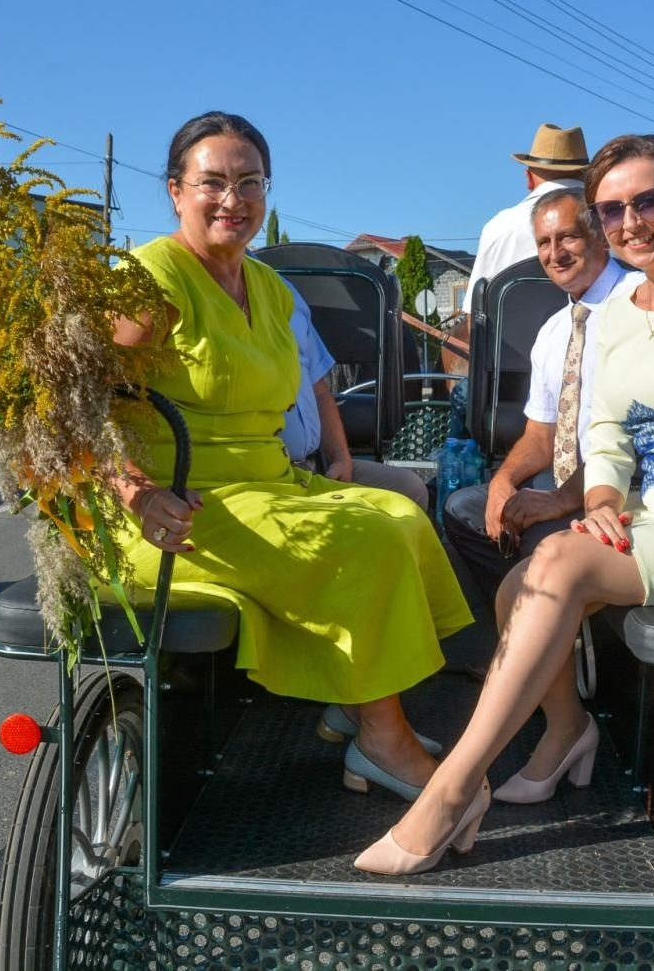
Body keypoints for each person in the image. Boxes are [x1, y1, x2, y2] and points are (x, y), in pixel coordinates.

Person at [356, 133, 654, 876]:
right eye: (613, 209)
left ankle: (452, 792)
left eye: (648, 201)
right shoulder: (615, 314)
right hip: (653, 516)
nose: (631, 222)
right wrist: (605, 498)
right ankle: (566, 731)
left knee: (555, 561)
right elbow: (606, 432)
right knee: (518, 586)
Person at [108, 111, 471, 801]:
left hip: (267, 485)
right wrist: (136, 491)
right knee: (365, 539)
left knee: (401, 515)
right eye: (213, 182)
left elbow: (314, 386)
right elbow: (76, 408)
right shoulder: (147, 280)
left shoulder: (269, 287)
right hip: (177, 507)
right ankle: (383, 740)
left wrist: (334, 458)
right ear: (175, 191)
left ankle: (358, 702)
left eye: (250, 182)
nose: (233, 199)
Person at [441, 189, 636, 607]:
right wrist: (503, 481)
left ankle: (558, 623)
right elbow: (540, 434)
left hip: (625, 485)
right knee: (464, 510)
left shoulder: (641, 301)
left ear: (600, 236)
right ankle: (527, 622)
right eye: (544, 243)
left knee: (540, 538)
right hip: (563, 479)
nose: (555, 253)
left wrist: (561, 500)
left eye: (568, 237)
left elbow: (641, 431)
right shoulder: (553, 329)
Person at [280, 279, 428, 510]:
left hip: (315, 464)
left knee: (411, 489)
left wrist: (341, 458)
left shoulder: (285, 291)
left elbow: (319, 391)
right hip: (272, 473)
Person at [464, 123, 591, 291]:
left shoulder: (498, 227)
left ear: (529, 179)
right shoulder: (612, 218)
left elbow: (474, 304)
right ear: (587, 175)